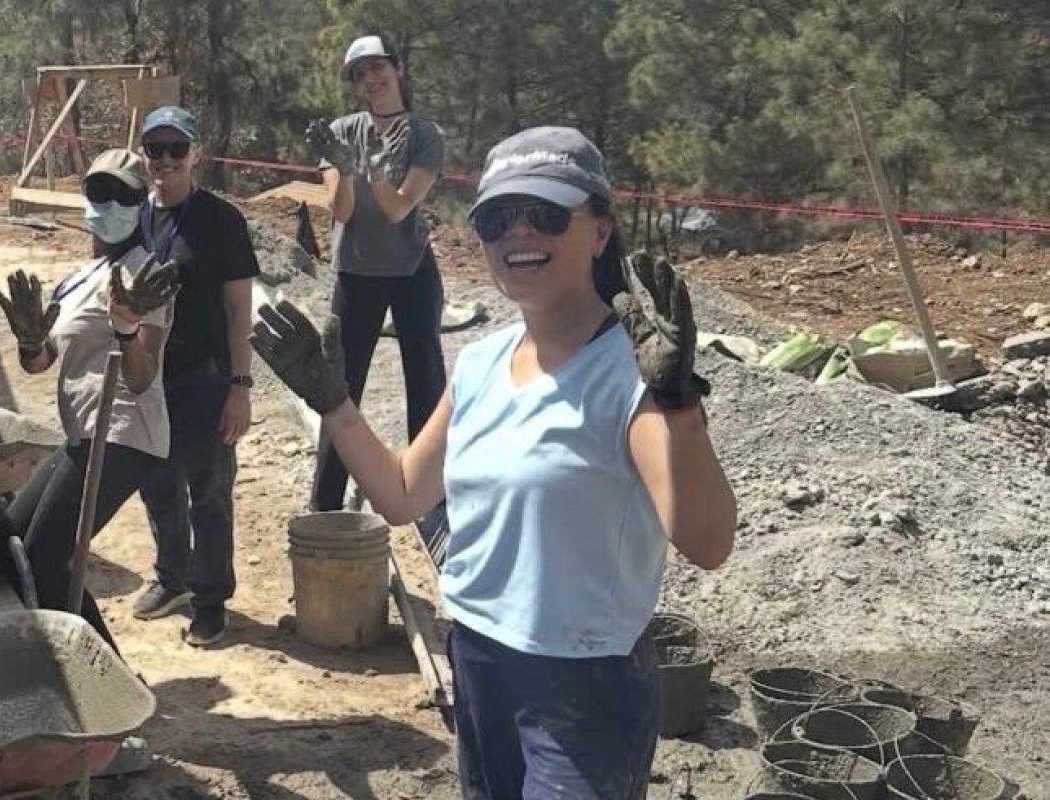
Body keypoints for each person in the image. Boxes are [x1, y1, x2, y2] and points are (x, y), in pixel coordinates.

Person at [252, 127, 737, 799]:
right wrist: (334, 403)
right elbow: (402, 494)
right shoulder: (481, 363)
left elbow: (708, 543)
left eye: (545, 214)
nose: (518, 232)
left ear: (600, 230)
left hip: (583, 685)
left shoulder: (632, 372)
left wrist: (679, 407)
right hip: (478, 658)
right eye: (495, 218)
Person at [0, 148, 179, 648]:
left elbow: (142, 378)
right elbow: (40, 362)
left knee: (44, 557)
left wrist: (127, 330)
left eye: (124, 196)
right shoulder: (80, 277)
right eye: (99, 191)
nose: (110, 204)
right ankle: (73, 660)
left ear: (142, 205)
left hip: (124, 435)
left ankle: (101, 673)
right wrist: (30, 341)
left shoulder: (145, 278)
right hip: (84, 433)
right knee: (7, 544)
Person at [126, 106, 260, 646]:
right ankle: (172, 577)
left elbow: (238, 308)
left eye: (176, 149)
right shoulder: (133, 216)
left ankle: (210, 600)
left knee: (208, 490)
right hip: (148, 377)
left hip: (203, 378)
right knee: (157, 484)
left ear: (196, 153)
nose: (165, 159)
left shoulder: (221, 220)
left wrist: (240, 387)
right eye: (155, 149)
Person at [303, 34, 448, 512]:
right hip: (356, 272)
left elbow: (398, 209)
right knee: (340, 386)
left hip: (412, 271)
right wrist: (345, 170)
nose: (371, 79)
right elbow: (342, 211)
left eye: (378, 67)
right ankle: (326, 505)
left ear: (398, 68)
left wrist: (380, 175)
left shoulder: (425, 135)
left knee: (425, 380)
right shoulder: (341, 132)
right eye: (360, 74)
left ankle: (429, 498)